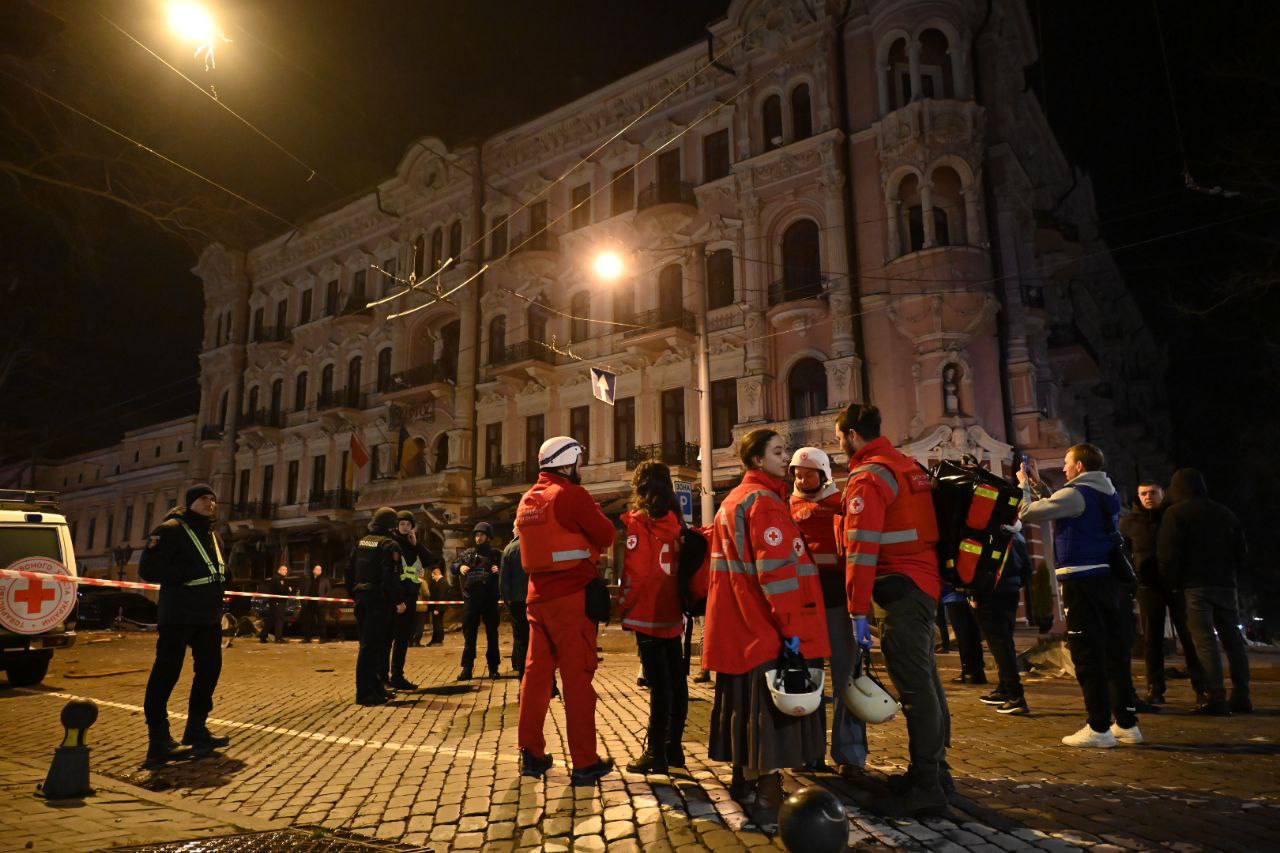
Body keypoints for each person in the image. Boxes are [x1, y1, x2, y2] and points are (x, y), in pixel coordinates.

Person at [705, 429, 830, 829]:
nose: (785, 457)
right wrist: (793, 629)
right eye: (777, 451)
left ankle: (744, 782)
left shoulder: (733, 501)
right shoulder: (765, 503)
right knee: (769, 715)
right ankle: (767, 793)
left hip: (738, 626)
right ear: (757, 460)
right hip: (764, 627)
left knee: (744, 709)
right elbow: (777, 574)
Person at [838, 404, 950, 817]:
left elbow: (861, 546)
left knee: (916, 691)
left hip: (902, 588)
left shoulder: (869, 476)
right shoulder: (905, 465)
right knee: (928, 683)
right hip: (922, 582)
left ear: (852, 435)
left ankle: (928, 787)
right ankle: (934, 773)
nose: (840, 443)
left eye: (840, 437)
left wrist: (856, 611)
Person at [1019, 444, 1141, 748]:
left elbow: (1028, 513)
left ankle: (1098, 727)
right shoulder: (1105, 490)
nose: (1063, 468)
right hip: (1107, 580)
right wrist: (1039, 486)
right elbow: (1061, 504)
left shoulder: (1077, 494)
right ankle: (1126, 723)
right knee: (1113, 653)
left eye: (1067, 462)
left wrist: (1023, 486)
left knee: (1087, 653)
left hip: (1082, 581)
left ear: (1080, 467)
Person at [515, 436, 617, 786]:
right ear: (569, 462)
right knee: (577, 679)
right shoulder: (571, 495)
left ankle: (531, 754)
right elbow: (606, 535)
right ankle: (585, 762)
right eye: (579, 463)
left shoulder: (528, 499)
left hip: (536, 597)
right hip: (571, 597)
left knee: (536, 677)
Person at [788, 445, 867, 777]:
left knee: (848, 679)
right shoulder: (787, 508)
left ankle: (850, 755)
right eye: (798, 474)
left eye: (809, 474)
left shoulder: (841, 504)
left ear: (823, 474)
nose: (802, 480)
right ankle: (809, 752)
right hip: (805, 607)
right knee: (808, 680)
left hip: (839, 604)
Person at [138, 484, 231, 765]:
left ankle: (196, 729)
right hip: (178, 614)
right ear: (190, 502)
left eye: (213, 499)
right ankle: (159, 739)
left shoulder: (213, 535)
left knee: (210, 671)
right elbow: (148, 570)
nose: (210, 503)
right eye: (204, 498)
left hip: (208, 617)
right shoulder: (170, 530)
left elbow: (219, 569)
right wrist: (187, 573)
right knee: (166, 673)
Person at [1157, 468, 1251, 715]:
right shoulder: (1224, 513)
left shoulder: (1176, 513)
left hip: (1194, 586)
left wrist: (1171, 583)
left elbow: (1168, 554)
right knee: (1233, 640)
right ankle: (1242, 694)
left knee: (1205, 642)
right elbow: (1241, 551)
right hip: (1225, 584)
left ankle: (1215, 696)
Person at [620, 461, 690, 775]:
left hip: (647, 612)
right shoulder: (676, 521)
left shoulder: (640, 522)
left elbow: (637, 572)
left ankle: (655, 753)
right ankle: (674, 748)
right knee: (676, 680)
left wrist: (625, 607)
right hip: (671, 610)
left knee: (659, 685)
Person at [1121, 479, 1206, 706]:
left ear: (1162, 493)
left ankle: (1201, 687)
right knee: (1152, 639)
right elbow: (1124, 553)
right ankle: (1155, 688)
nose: (1148, 497)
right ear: (1138, 496)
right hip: (1148, 586)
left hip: (1177, 585)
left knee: (1188, 637)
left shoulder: (1173, 517)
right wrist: (1134, 578)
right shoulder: (1129, 523)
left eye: (1152, 493)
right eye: (1143, 494)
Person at [350, 507, 407, 706]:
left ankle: (376, 688)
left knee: (372, 646)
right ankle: (365, 693)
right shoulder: (389, 545)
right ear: (391, 526)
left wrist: (355, 594)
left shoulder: (361, 542)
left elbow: (349, 571)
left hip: (362, 598)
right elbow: (391, 577)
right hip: (378, 601)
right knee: (371, 648)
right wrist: (398, 600)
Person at [975, 531, 1031, 714]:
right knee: (1004, 642)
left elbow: (979, 564)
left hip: (991, 592)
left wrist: (974, 590)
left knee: (1000, 644)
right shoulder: (1017, 535)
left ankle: (1015, 696)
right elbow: (1027, 568)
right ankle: (1005, 689)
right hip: (1010, 591)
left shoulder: (988, 533)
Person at [387, 510, 438, 690]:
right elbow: (389, 574)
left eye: (408, 524)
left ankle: (397, 676)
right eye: (402, 524)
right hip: (395, 598)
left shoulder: (413, 544)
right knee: (388, 638)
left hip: (410, 597)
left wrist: (417, 545)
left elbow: (430, 560)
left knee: (403, 639)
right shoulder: (391, 543)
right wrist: (397, 600)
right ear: (397, 525)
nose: (405, 527)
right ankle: (383, 677)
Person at [455, 521, 503, 680]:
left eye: (481, 534)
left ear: (488, 537)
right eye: (476, 535)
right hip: (472, 600)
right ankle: (467, 668)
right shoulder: (469, 553)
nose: (478, 537)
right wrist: (460, 567)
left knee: (492, 635)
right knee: (469, 635)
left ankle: (493, 667)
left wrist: (499, 570)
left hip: (490, 599)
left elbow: (507, 569)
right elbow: (454, 566)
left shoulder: (496, 555)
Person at [500, 533, 530, 678]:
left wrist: (507, 600)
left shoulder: (510, 549)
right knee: (541, 639)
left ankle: (524, 675)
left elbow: (504, 580)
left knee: (521, 639)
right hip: (537, 599)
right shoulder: (538, 543)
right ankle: (549, 681)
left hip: (517, 601)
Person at [943, 586, 986, 684]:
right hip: (966, 596)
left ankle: (969, 672)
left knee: (964, 636)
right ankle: (976, 672)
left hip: (956, 596)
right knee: (972, 635)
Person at [259, 564, 294, 643]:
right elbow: (280, 590)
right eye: (283, 569)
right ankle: (278, 638)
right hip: (278, 602)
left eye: (286, 570)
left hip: (276, 602)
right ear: (279, 570)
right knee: (279, 619)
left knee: (271, 619)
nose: (285, 571)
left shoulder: (280, 579)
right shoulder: (277, 579)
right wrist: (288, 589)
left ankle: (263, 635)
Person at [301, 564, 333, 643]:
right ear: (313, 570)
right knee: (308, 621)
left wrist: (323, 600)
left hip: (320, 604)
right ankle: (307, 638)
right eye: (317, 569)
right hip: (309, 604)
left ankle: (322, 638)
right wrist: (303, 601)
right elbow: (303, 590)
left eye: (320, 569)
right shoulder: (308, 580)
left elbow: (328, 591)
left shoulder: (325, 580)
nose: (318, 571)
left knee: (321, 622)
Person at [425, 565, 451, 645]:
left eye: (433, 576)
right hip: (438, 607)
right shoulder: (441, 582)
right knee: (437, 624)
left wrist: (437, 608)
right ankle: (435, 640)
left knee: (438, 624)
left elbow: (441, 596)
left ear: (437, 574)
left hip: (439, 607)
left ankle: (438, 640)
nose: (433, 578)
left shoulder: (442, 582)